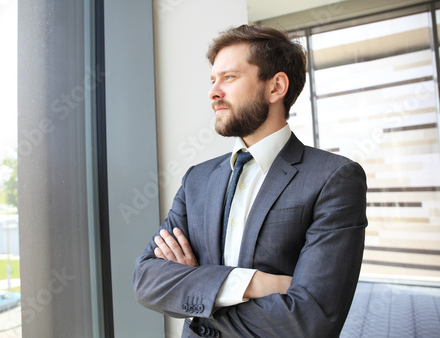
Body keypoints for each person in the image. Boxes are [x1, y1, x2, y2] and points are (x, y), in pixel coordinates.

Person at [133, 24, 367, 337]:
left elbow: (312, 322)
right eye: (213, 80)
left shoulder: (334, 178)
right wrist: (253, 283)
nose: (213, 92)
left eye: (229, 77)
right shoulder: (197, 180)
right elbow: (146, 280)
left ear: (275, 87)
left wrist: (198, 290)